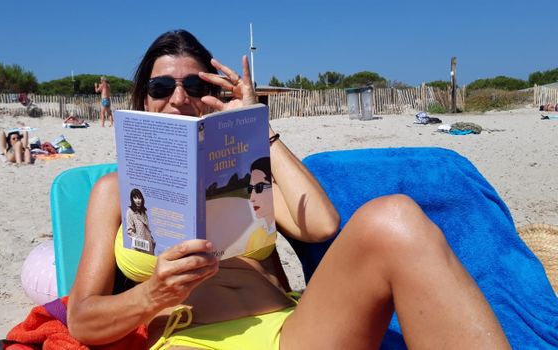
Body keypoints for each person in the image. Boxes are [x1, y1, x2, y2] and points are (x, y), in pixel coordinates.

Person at [67, 29, 509, 349]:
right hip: (191, 339)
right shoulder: (113, 191)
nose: (180, 98)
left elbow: (321, 224)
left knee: (394, 217)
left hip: (292, 330)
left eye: (196, 85)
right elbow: (83, 320)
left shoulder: (243, 172)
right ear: (144, 98)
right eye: (162, 86)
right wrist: (153, 294)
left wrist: (256, 125)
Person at [125, 188, 156, 255]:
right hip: (139, 248)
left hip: (149, 246)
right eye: (135, 198)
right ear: (132, 199)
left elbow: (147, 229)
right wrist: (141, 244)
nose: (138, 200)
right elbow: (130, 232)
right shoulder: (130, 211)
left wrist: (152, 241)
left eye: (139, 198)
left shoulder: (144, 212)